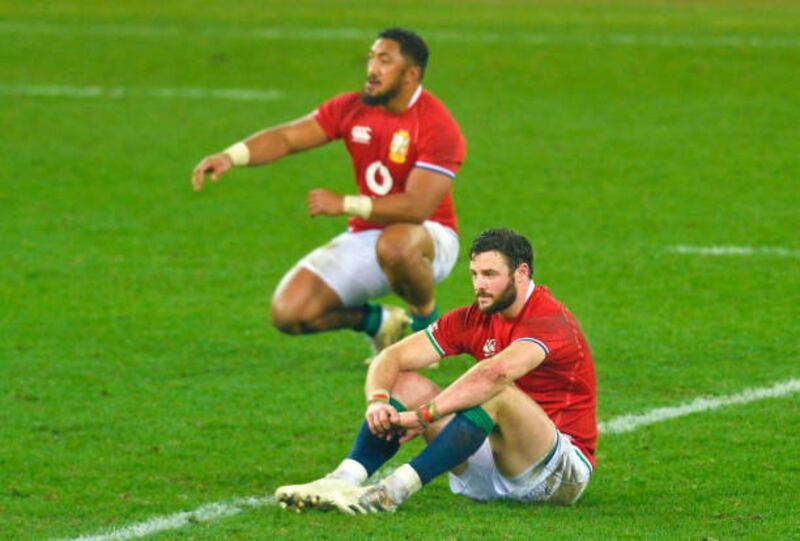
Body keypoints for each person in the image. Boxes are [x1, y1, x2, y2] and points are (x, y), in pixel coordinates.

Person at [275, 228, 597, 513]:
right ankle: (343, 479)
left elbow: (494, 375)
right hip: (496, 463)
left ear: (521, 273)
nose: (479, 286)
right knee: (403, 384)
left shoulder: (548, 319)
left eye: (489, 275)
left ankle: (392, 491)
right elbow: (391, 357)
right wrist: (377, 402)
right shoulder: (474, 317)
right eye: (474, 274)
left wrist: (423, 416)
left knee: (496, 389)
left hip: (557, 473)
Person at [191, 28, 466, 357]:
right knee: (289, 313)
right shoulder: (353, 108)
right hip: (369, 232)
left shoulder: (437, 125)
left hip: (428, 239)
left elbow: (417, 208)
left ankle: (427, 332)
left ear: (411, 75)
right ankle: (379, 323)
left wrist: (345, 203)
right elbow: (287, 138)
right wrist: (230, 156)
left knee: (396, 244)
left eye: (384, 61)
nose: (372, 69)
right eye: (371, 58)